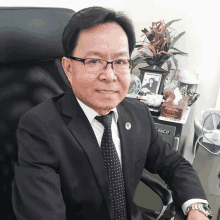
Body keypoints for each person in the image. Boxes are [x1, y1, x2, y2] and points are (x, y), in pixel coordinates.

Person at [12, 6, 211, 220]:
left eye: (120, 61)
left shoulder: (138, 113)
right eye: (94, 61)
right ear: (68, 68)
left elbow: (174, 163)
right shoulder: (39, 128)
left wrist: (196, 207)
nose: (109, 75)